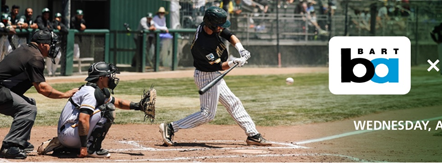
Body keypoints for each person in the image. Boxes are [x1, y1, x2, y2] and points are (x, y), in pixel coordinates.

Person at [159, 6, 271, 147]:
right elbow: (218, 66)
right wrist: (234, 62)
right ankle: (171, 127)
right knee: (207, 114)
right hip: (206, 76)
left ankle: (253, 135)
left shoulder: (207, 26)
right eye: (219, 26)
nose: (221, 28)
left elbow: (228, 34)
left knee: (233, 102)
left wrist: (241, 49)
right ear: (211, 24)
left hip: (212, 74)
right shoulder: (203, 44)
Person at [0, 30, 79, 159]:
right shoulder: (35, 57)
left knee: (30, 103)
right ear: (43, 44)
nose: (53, 47)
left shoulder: (27, 50)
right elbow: (42, 88)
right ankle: (10, 146)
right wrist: (65, 94)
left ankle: (21, 141)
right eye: (51, 44)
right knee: (27, 109)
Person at [37, 61, 149, 158]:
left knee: (108, 106)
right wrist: (84, 147)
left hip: (68, 132)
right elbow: (82, 119)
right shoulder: (90, 93)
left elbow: (117, 102)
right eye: (109, 75)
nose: (111, 78)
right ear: (101, 78)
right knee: (107, 110)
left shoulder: (97, 90)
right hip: (69, 134)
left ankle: (65, 145)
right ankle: (92, 149)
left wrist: (138, 106)